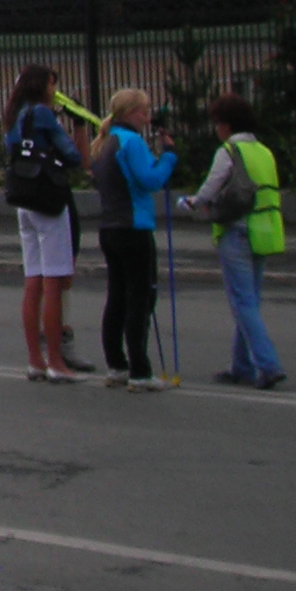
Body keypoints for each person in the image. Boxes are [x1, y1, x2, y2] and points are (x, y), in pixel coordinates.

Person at [178, 93, 286, 389]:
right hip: (265, 230)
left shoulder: (229, 150)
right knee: (250, 301)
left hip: (237, 230)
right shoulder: (264, 151)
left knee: (242, 302)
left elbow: (210, 187)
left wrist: (191, 202)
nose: (216, 128)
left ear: (226, 124)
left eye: (217, 122)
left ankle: (268, 365)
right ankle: (241, 367)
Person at [86, 89, 175, 392]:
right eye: (144, 112)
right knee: (140, 297)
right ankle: (140, 370)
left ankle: (116, 365)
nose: (148, 118)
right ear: (130, 113)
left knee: (117, 297)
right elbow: (150, 180)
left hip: (110, 227)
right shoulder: (131, 141)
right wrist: (168, 157)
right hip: (134, 227)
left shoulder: (105, 141)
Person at [1, 65, 84, 382]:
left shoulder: (14, 114)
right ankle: (56, 363)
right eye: (52, 84)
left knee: (32, 281)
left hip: (23, 198)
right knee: (53, 282)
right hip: (48, 199)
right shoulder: (42, 114)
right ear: (40, 85)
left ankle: (35, 360)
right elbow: (72, 156)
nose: (55, 89)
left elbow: (14, 148)